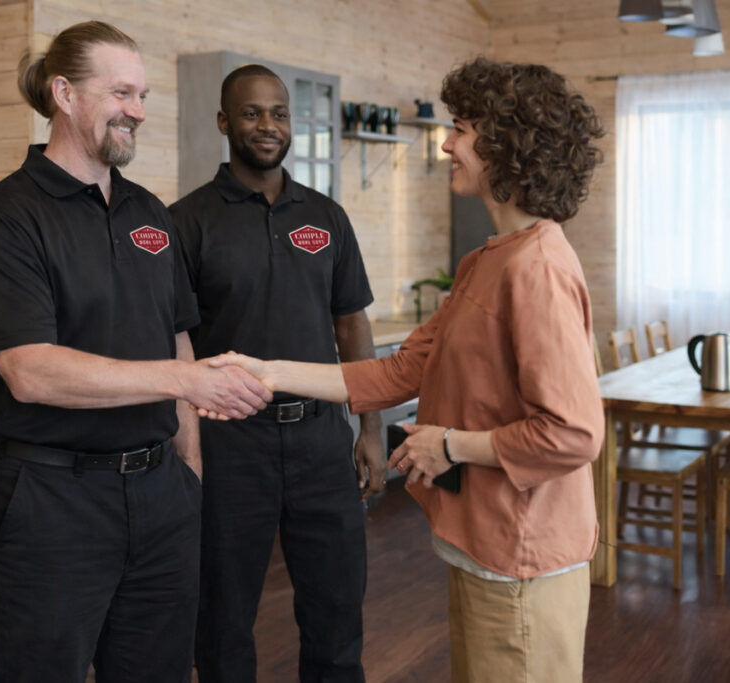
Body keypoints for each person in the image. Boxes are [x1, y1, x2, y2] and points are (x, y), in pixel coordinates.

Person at [211, 56, 606, 682]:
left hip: (523, 553)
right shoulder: (485, 261)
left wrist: (450, 444)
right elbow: (397, 373)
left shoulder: (538, 268)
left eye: (462, 129)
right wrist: (270, 372)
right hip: (481, 546)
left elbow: (575, 433)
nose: (447, 143)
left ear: (506, 145)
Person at [0, 22, 271, 683]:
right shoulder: (6, 217)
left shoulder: (150, 214)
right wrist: (186, 379)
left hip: (160, 495)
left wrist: (190, 477)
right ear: (63, 92)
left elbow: (177, 335)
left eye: (145, 94)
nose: (138, 110)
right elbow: (29, 371)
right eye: (121, 91)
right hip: (50, 499)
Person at [168, 64, 385, 682]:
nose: (268, 126)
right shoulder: (186, 221)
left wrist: (370, 430)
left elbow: (352, 327)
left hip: (322, 439)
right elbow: (174, 348)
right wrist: (186, 449)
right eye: (252, 113)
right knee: (223, 615)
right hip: (231, 444)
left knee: (338, 608)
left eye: (279, 113)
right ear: (223, 122)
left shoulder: (326, 216)